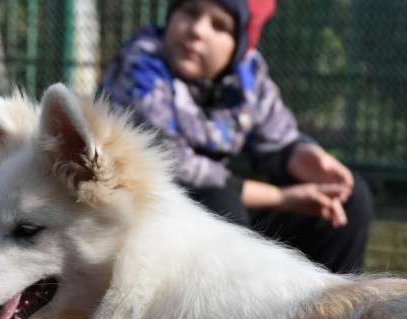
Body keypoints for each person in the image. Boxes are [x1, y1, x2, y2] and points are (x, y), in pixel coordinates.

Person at [99, 0, 372, 274]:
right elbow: (180, 168)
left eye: (219, 25)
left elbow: (276, 134)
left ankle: (331, 311)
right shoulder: (140, 67)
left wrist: (299, 154)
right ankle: (228, 315)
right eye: (190, 11)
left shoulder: (247, 73)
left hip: (221, 203)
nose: (197, 30)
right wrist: (280, 197)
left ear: (240, 45)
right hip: (147, 221)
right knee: (220, 207)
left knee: (348, 199)